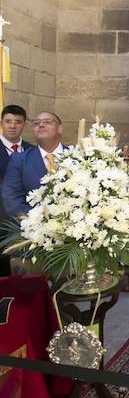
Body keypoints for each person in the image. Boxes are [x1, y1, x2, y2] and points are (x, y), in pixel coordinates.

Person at [3, 112, 65, 218]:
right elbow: (12, 200)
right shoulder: (19, 160)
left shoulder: (78, 157)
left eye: (47, 122)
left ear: (60, 128)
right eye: (36, 123)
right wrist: (40, 220)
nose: (41, 125)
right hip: (32, 228)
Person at [0, 105, 33, 274]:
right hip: (1, 218)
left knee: (28, 270)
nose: (13, 126)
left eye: (18, 122)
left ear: (24, 125)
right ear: (1, 123)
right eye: (8, 121)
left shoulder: (32, 150)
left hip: (28, 218)